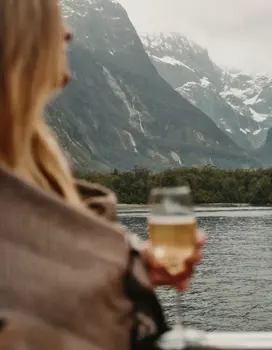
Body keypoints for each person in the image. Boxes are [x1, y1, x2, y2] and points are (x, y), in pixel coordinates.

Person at [0, 0, 205, 349]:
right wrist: (119, 265)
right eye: (52, 21)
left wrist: (137, 266)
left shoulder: (32, 167)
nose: (68, 33)